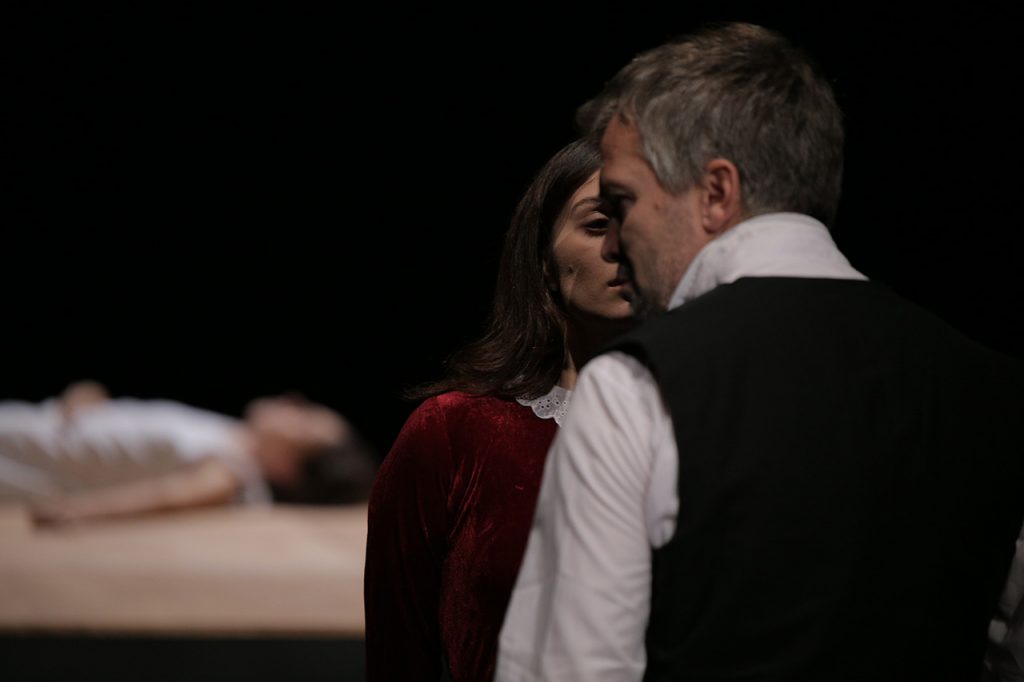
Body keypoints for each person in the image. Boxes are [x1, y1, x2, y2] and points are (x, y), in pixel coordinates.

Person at [496, 21, 1024, 681]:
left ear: (717, 193)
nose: (616, 241)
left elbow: (573, 668)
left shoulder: (640, 383)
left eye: (624, 203)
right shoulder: (996, 386)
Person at [362, 136, 635, 681]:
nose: (623, 245)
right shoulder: (455, 431)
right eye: (598, 224)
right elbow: (398, 657)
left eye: (643, 222)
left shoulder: (719, 427)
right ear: (544, 260)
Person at [0, 379, 378, 526]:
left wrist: (79, 511)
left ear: (288, 468)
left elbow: (169, 496)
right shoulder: (227, 433)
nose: (293, 402)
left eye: (304, 422)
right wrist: (91, 401)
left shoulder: (234, 471)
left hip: (23, 461)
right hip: (34, 430)